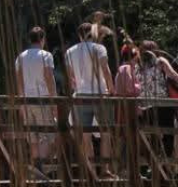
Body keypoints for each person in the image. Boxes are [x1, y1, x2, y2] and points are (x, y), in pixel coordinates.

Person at [65, 22, 115, 171]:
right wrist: (111, 90)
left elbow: (71, 78)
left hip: (81, 95)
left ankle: (91, 170)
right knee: (106, 133)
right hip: (100, 94)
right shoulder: (99, 48)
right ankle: (105, 170)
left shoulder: (70, 52)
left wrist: (78, 86)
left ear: (79, 35)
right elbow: (106, 71)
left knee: (85, 136)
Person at [15, 27, 59, 162]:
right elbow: (49, 79)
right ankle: (43, 169)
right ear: (42, 39)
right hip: (43, 100)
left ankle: (36, 170)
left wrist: (21, 105)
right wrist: (54, 102)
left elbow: (19, 83)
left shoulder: (20, 57)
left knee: (32, 139)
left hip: (27, 100)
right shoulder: (46, 56)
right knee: (47, 136)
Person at [136, 42, 178, 157]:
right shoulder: (160, 61)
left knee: (153, 136)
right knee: (168, 134)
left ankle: (154, 167)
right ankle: (166, 165)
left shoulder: (138, 64)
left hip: (145, 105)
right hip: (163, 104)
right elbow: (173, 75)